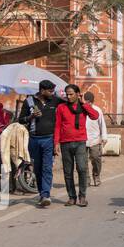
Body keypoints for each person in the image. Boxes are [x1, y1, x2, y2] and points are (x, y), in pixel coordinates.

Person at [18, 79, 63, 208]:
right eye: (50, 91)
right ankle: (41, 192)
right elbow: (21, 120)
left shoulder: (55, 100)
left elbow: (69, 104)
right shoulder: (29, 101)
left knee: (47, 167)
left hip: (49, 139)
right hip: (34, 139)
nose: (52, 93)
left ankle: (45, 195)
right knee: (37, 168)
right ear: (42, 90)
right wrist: (31, 117)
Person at [54, 84, 98, 207]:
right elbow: (57, 126)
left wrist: (84, 103)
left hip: (80, 142)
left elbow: (95, 116)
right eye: (67, 94)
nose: (68, 96)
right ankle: (71, 197)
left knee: (82, 169)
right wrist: (56, 143)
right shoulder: (61, 107)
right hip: (65, 143)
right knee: (68, 172)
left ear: (78, 94)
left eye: (71, 94)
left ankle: (82, 196)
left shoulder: (83, 107)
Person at [83, 91, 109, 186]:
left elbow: (102, 124)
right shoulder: (81, 109)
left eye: (89, 101)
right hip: (82, 139)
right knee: (83, 161)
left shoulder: (97, 110)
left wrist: (104, 137)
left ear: (92, 102)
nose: (87, 103)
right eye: (85, 101)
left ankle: (96, 175)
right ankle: (86, 179)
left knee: (96, 158)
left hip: (95, 139)